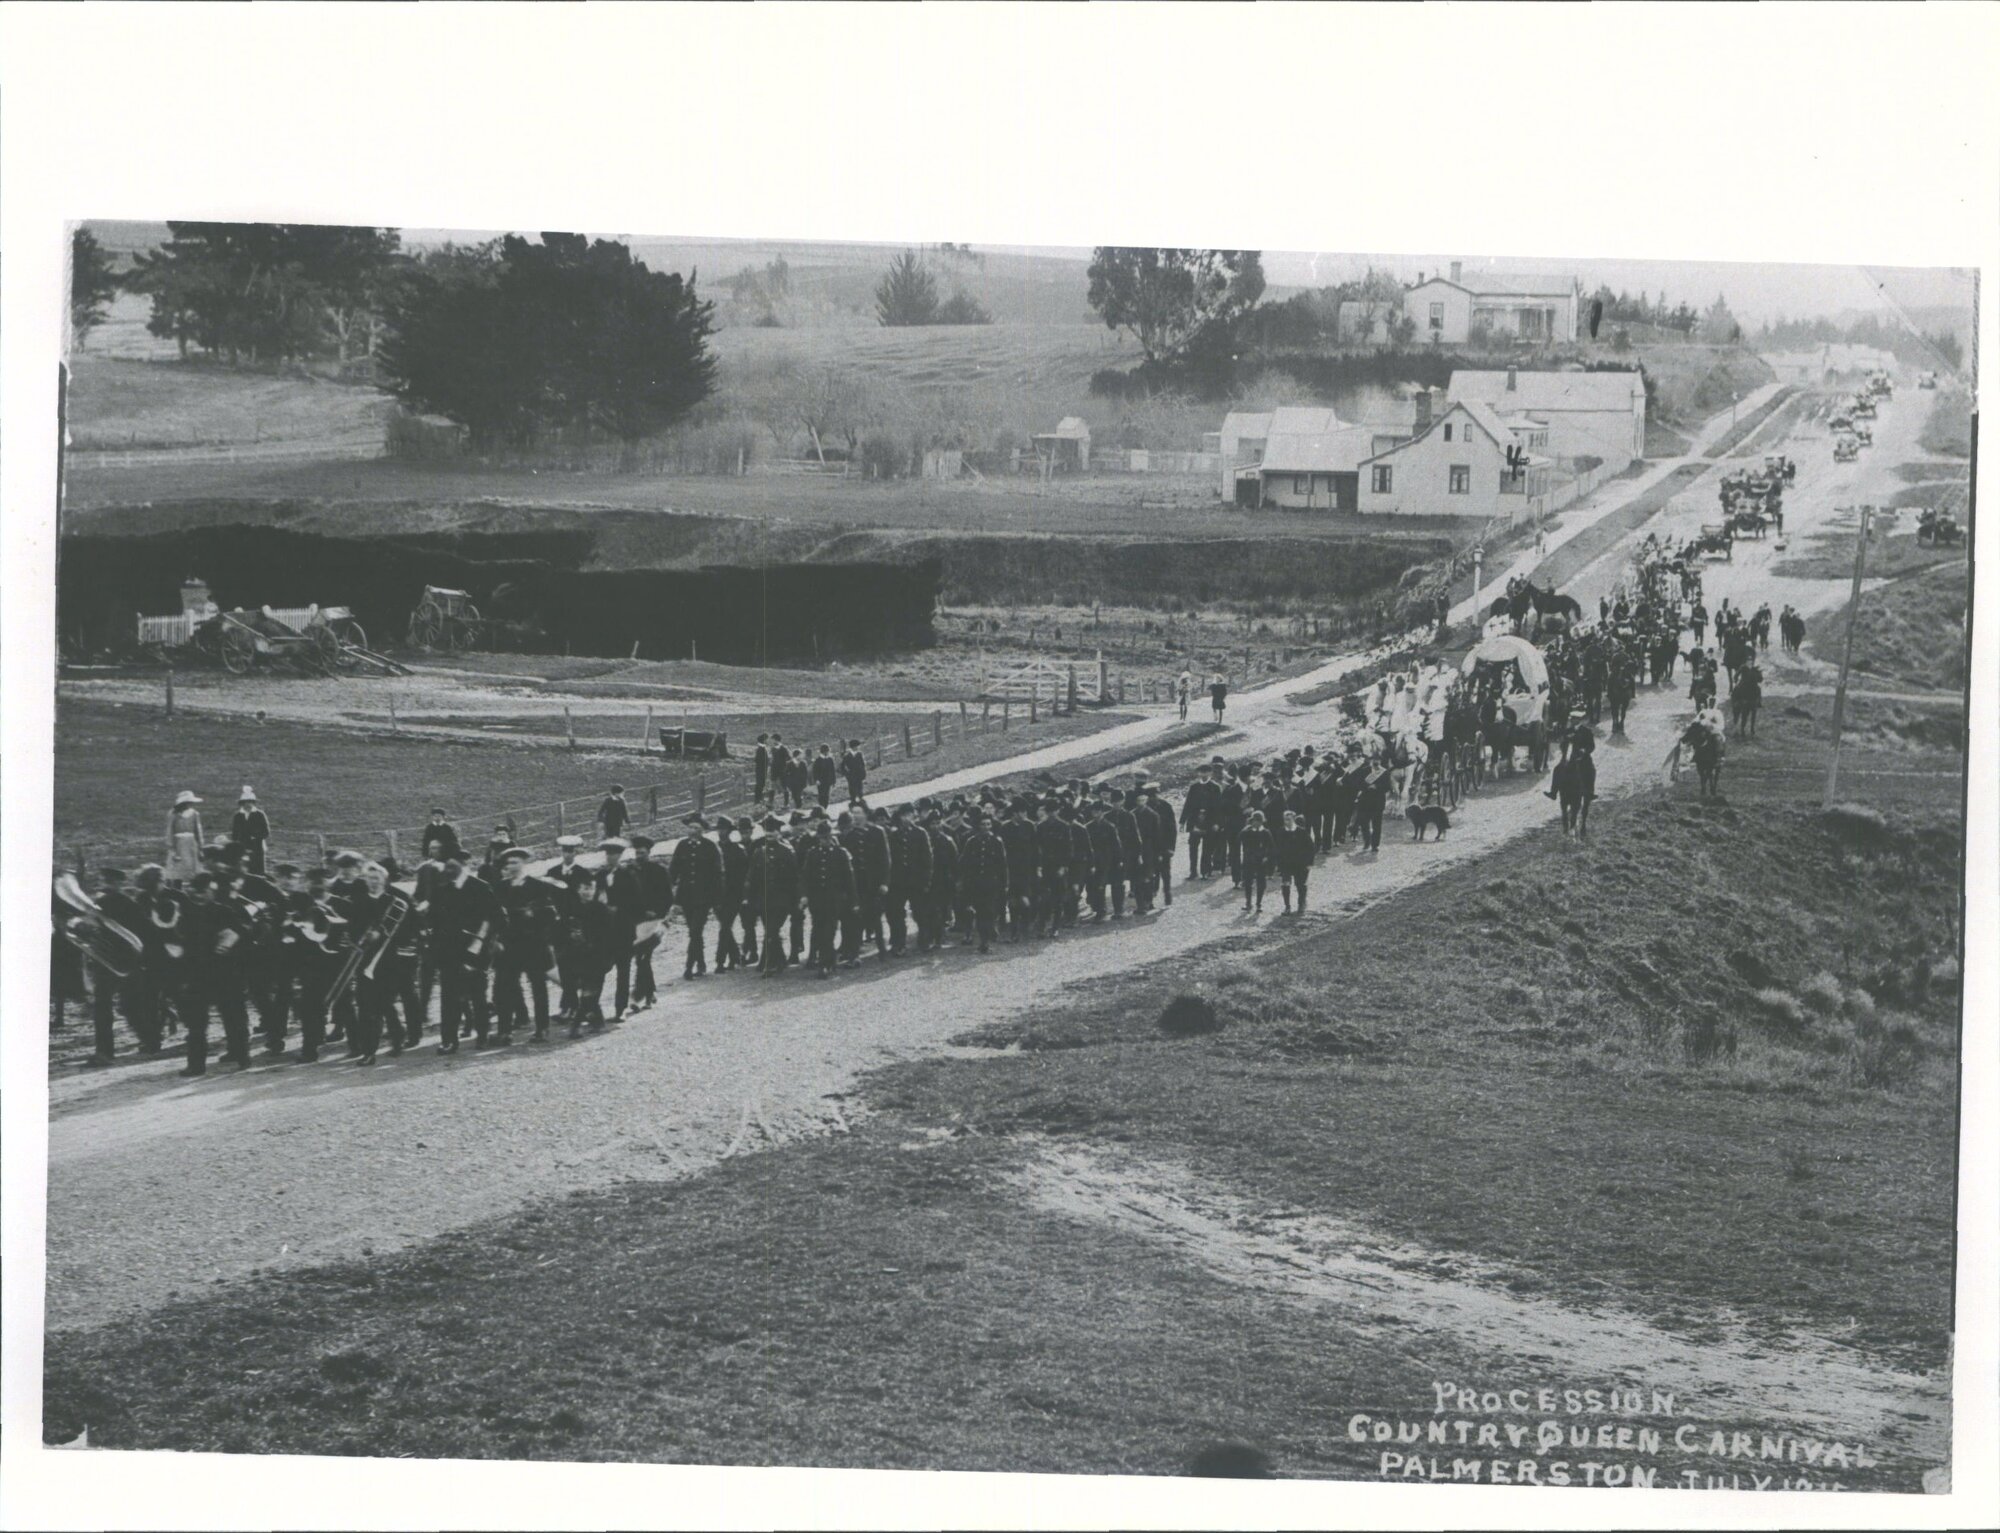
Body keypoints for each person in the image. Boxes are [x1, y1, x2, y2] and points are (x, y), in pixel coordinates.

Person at [178, 872, 252, 1075]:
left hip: (225, 971)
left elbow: (244, 933)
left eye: (206, 891)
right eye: (197, 891)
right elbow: (180, 941)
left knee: (234, 1016)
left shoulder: (224, 911)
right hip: (198, 972)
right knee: (196, 1022)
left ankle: (241, 1055)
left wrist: (228, 942)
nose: (201, 895)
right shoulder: (186, 913)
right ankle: (196, 1065)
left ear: (213, 891)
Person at [491, 849, 553, 1045]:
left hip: (533, 943)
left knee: (538, 986)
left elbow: (550, 914)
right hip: (509, 945)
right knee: (505, 987)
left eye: (515, 862)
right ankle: (504, 1031)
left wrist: (533, 916)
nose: (511, 867)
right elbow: (494, 915)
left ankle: (542, 1028)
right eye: (508, 863)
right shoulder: (500, 887)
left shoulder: (538, 886)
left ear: (524, 863)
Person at [666, 815, 724, 980]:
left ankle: (689, 966)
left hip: (704, 898)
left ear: (702, 831)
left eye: (697, 829)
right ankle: (701, 962)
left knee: (696, 930)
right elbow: (673, 871)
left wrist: (717, 899)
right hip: (686, 897)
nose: (693, 832)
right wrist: (669, 892)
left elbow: (717, 875)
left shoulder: (710, 847)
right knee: (693, 931)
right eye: (690, 828)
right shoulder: (682, 846)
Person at [801, 818, 857, 978]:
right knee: (819, 930)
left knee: (829, 930)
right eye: (822, 838)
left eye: (827, 837)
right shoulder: (812, 854)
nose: (825, 841)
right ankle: (828, 961)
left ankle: (825, 964)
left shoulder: (840, 853)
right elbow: (805, 877)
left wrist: (853, 901)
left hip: (835, 900)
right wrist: (804, 895)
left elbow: (849, 879)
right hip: (817, 900)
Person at [748, 814, 801, 975]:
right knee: (770, 931)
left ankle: (768, 964)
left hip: (782, 900)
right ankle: (780, 960)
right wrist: (749, 898)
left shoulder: (787, 851)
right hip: (764, 899)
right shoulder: (759, 852)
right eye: (767, 830)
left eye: (772, 830)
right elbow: (752, 878)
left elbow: (795, 877)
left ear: (779, 832)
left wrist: (796, 900)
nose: (769, 834)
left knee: (771, 930)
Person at [957, 807, 1009, 955]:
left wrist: (1005, 884)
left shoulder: (997, 842)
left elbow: (1002, 865)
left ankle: (987, 936)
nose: (986, 827)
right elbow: (964, 863)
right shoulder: (971, 842)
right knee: (980, 912)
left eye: (988, 824)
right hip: (976, 884)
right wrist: (963, 881)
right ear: (978, 826)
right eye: (983, 824)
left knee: (989, 911)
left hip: (992, 883)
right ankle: (984, 940)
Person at [1275, 810, 1315, 914]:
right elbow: (1278, 848)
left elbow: (1311, 848)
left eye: (1288, 819)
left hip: (1300, 863)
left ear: (1293, 819)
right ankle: (1287, 906)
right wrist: (1278, 863)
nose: (1286, 822)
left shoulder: (1301, 832)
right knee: (1286, 884)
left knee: (1300, 884)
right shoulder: (1281, 832)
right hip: (1286, 863)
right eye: (1285, 819)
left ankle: (1301, 904)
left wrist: (1309, 863)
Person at [166, 790, 205, 885]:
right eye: (188, 802)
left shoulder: (195, 814)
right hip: (178, 844)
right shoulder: (173, 814)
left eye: (191, 802)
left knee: (192, 868)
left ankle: (192, 888)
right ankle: (176, 887)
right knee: (177, 869)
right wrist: (172, 848)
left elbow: (198, 831)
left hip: (191, 844)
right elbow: (170, 831)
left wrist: (200, 848)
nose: (190, 804)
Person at [229, 787, 271, 876]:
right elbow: (234, 833)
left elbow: (266, 832)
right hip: (242, 847)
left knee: (258, 871)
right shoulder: (238, 816)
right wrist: (236, 845)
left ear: (253, 802)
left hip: (257, 847)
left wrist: (256, 837)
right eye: (246, 802)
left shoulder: (259, 814)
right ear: (242, 803)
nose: (248, 804)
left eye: (250, 802)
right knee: (244, 871)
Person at [812, 744, 839, 808]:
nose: (828, 752)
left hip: (828, 781)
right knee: (821, 796)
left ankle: (825, 808)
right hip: (820, 782)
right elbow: (815, 772)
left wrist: (833, 781)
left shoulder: (830, 759)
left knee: (826, 796)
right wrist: (816, 780)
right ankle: (822, 808)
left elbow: (833, 771)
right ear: (824, 751)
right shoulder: (818, 760)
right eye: (827, 751)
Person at [840, 738, 868, 803]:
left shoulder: (860, 754)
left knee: (860, 788)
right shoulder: (847, 756)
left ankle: (861, 799)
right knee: (852, 789)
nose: (858, 747)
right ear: (854, 746)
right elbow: (842, 767)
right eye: (857, 746)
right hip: (851, 776)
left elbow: (863, 764)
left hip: (859, 775)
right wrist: (847, 774)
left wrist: (863, 773)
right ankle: (853, 800)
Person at [753, 734, 772, 806]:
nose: (767, 741)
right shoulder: (761, 749)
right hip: (761, 770)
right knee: (760, 784)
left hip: (762, 769)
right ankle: (758, 799)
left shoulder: (762, 748)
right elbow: (758, 760)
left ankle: (759, 799)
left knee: (761, 784)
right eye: (766, 739)